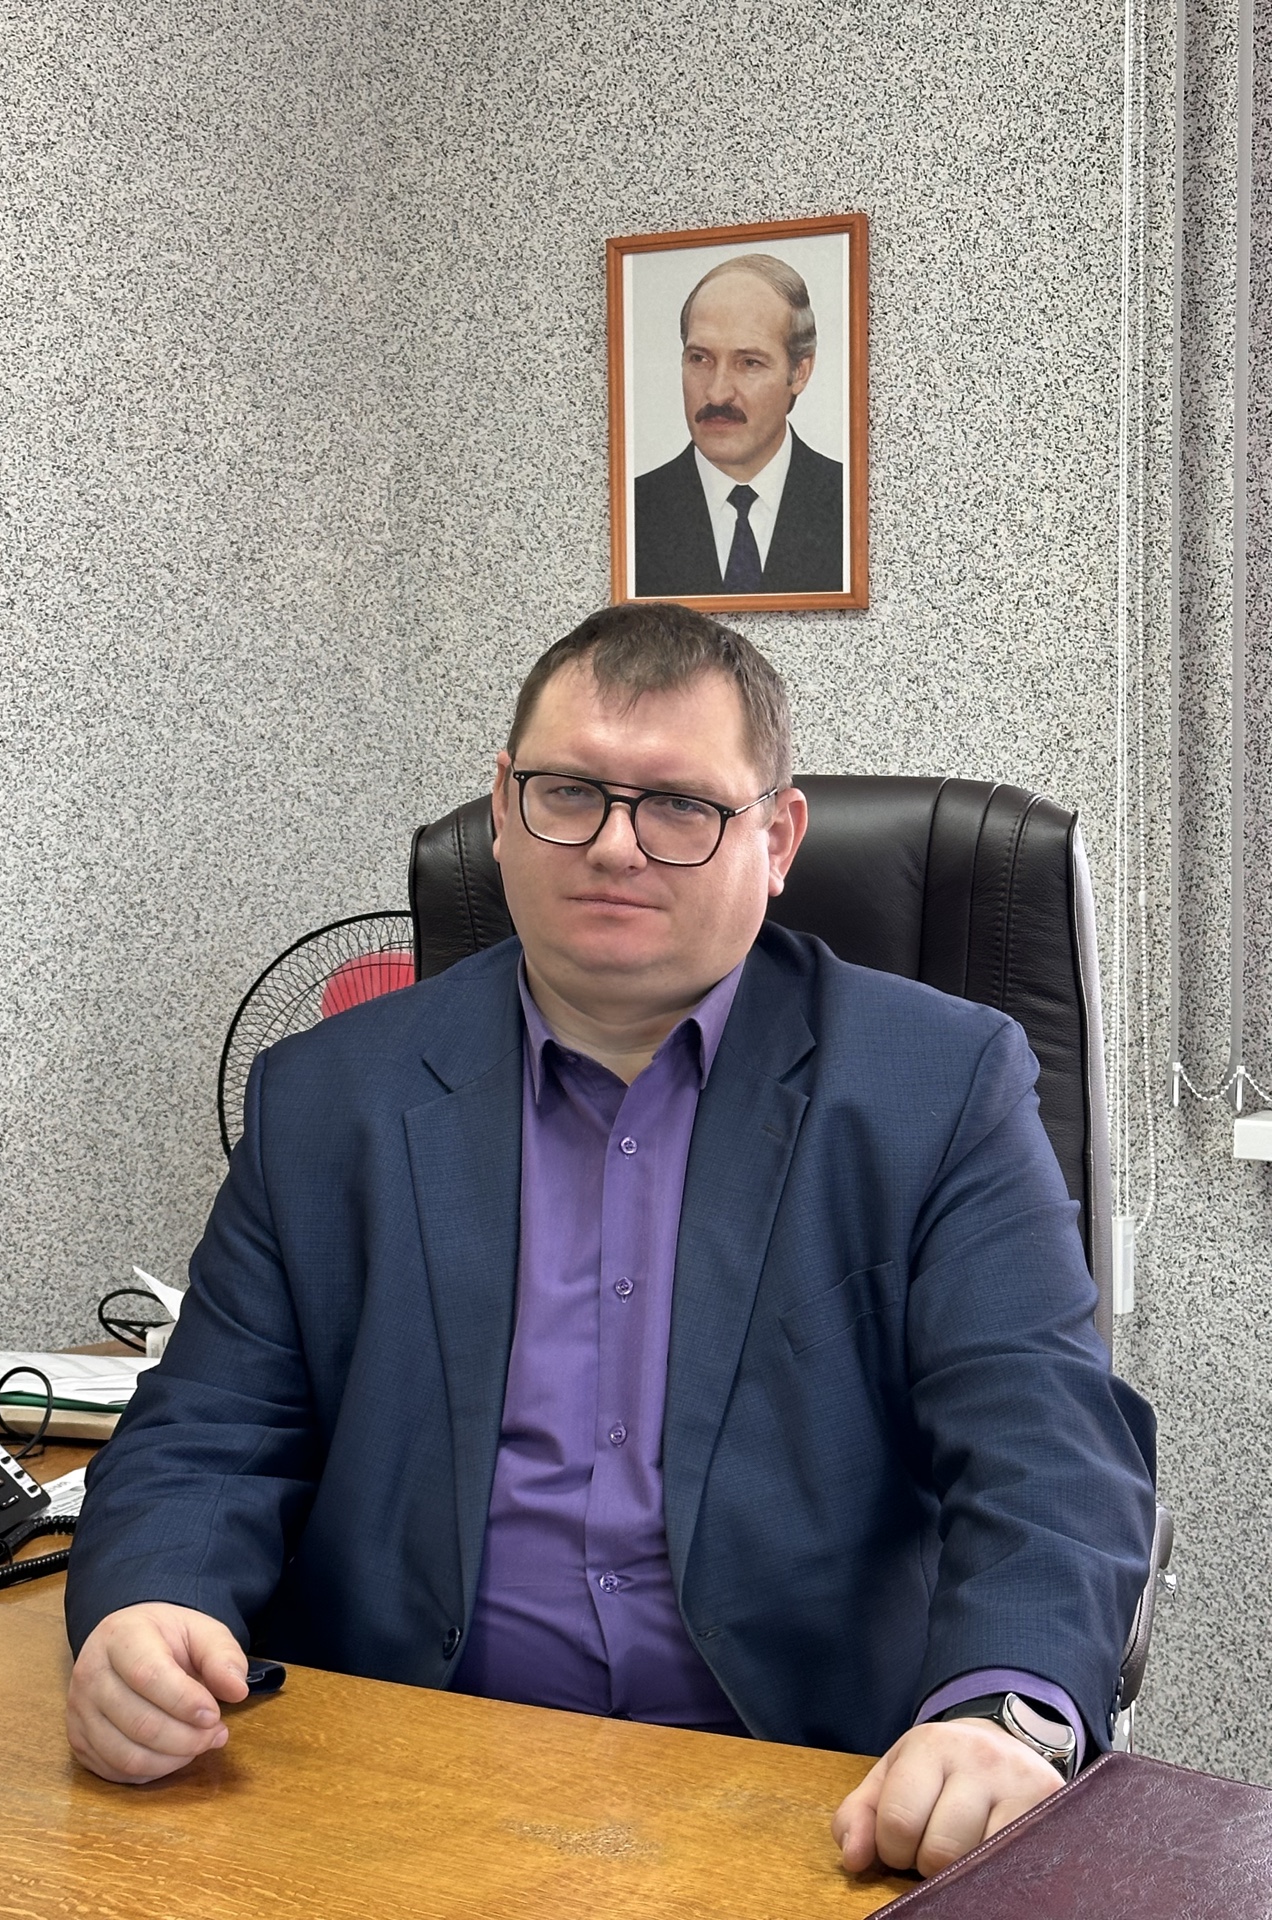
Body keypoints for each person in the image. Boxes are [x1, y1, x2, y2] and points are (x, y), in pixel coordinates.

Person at [65, 602, 1155, 1880]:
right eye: (570, 794)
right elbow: (208, 1430)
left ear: (777, 839)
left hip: (805, 1801)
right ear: (502, 805)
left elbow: (1047, 1447)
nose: (615, 847)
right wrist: (149, 1604)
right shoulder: (328, 1096)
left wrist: (1000, 1711)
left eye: (680, 807)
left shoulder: (938, 1083)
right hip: (397, 1783)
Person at [633, 255, 844, 598]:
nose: (717, 393)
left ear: (800, 372)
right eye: (700, 359)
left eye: (749, 363)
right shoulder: (634, 512)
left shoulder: (849, 504)